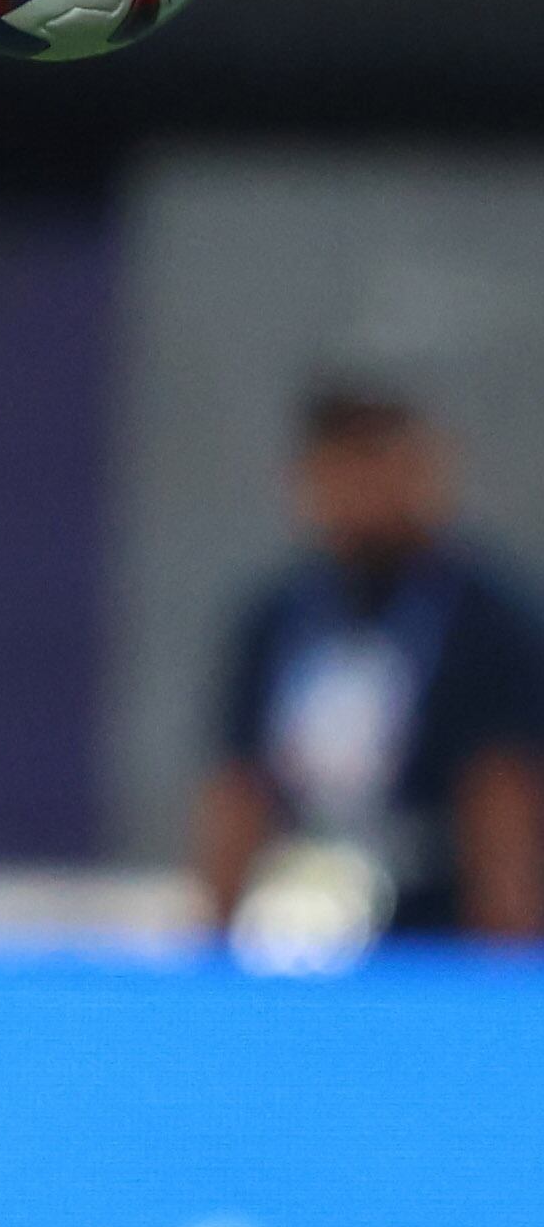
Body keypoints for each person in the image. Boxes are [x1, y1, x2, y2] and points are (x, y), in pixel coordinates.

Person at [197, 382, 544, 947]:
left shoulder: (486, 624)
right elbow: (238, 792)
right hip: (304, 921)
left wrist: (502, 967)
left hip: (442, 927)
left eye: (380, 460)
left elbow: (502, 797)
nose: (363, 489)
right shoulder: (276, 620)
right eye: (342, 465)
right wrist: (211, 946)